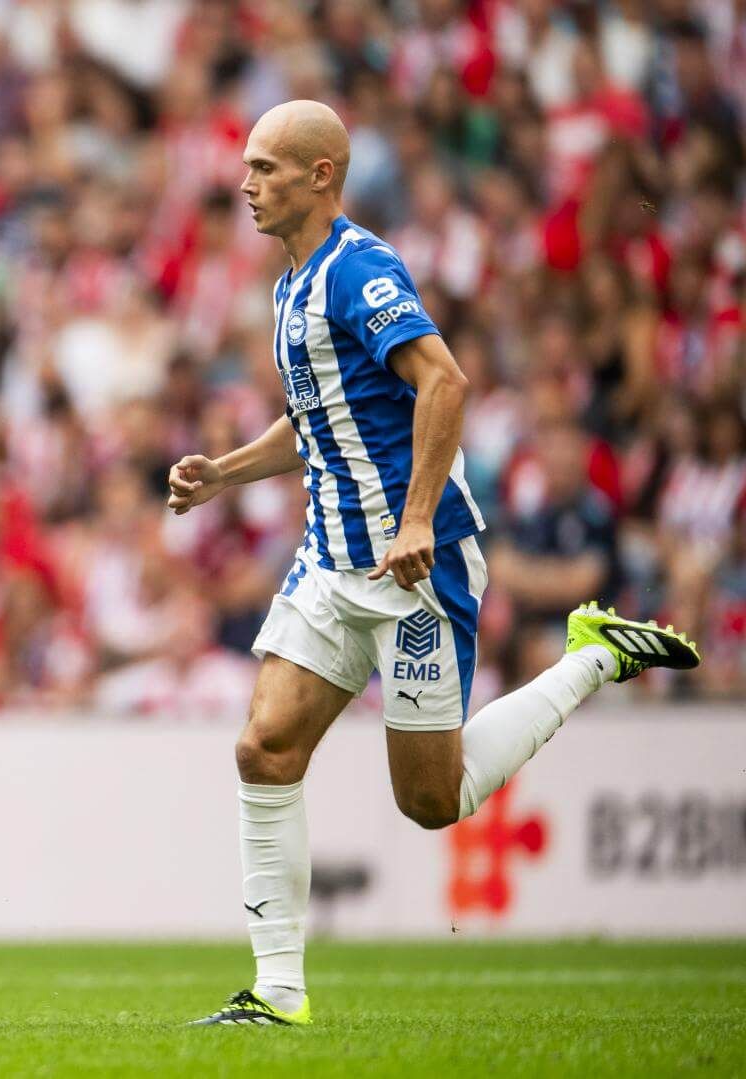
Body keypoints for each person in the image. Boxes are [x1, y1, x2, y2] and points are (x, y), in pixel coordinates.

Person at [166, 101, 701, 1027]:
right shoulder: (292, 284)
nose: (246, 183)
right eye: (247, 167)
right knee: (265, 747)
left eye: (266, 167)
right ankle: (277, 990)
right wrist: (227, 473)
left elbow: (443, 380)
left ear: (321, 174)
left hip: (418, 565)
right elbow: (321, 418)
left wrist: (415, 520)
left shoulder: (357, 268)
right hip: (333, 560)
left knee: (432, 799)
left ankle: (595, 654)